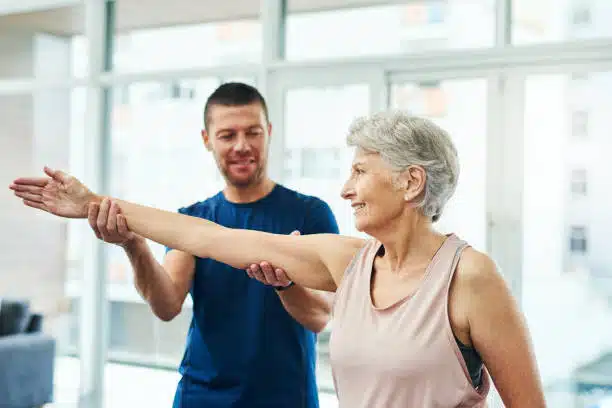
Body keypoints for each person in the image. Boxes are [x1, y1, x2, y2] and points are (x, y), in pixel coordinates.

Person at [10, 111, 547, 408]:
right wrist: (95, 205)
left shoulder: (471, 278)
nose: (345, 188)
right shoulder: (348, 261)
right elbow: (208, 236)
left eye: (361, 171)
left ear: (411, 182)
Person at [35, 82, 341, 408]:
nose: (241, 145)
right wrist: (134, 245)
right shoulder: (194, 219)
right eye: (227, 135)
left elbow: (322, 316)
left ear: (269, 132)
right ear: (207, 140)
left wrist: (286, 285)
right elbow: (166, 305)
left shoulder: (310, 214)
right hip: (203, 397)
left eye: (253, 132)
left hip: (287, 399)